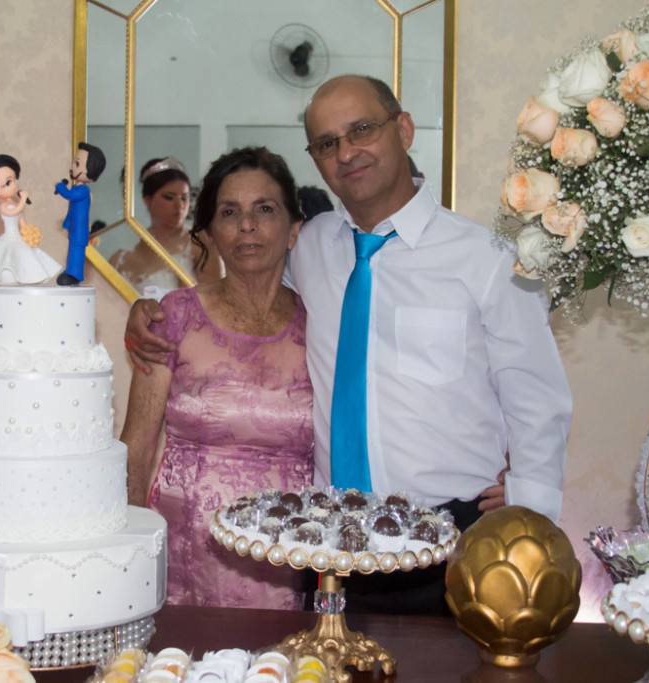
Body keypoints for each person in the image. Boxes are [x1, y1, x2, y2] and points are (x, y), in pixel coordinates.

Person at [126, 75, 572, 615]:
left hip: (452, 538)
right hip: (330, 545)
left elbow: (537, 395)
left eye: (362, 130)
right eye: (326, 143)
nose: (346, 152)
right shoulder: (313, 247)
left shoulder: (488, 258)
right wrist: (146, 309)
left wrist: (529, 503)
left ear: (403, 129)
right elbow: (242, 291)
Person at [121, 146, 314, 609]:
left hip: (289, 560)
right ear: (209, 232)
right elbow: (137, 448)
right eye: (229, 212)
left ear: (293, 230)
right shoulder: (174, 317)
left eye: (264, 209)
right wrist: (126, 560)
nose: (247, 225)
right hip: (184, 558)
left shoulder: (322, 325)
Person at [109, 157, 221, 296]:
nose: (179, 205)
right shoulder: (123, 255)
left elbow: (217, 299)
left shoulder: (200, 244)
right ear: (147, 199)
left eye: (184, 198)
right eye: (169, 197)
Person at [0, 153, 61, 285]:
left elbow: (20, 218)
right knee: (9, 258)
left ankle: (26, 278)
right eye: (7, 183)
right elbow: (14, 212)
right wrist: (23, 200)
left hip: (19, 237)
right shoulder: (4, 206)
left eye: (14, 179)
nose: (14, 184)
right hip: (9, 237)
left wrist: (27, 231)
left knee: (27, 257)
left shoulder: (13, 202)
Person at [56, 141, 106, 286]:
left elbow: (69, 195)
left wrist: (60, 186)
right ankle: (70, 271)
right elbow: (71, 210)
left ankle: (75, 274)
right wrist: (66, 224)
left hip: (79, 231)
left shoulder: (83, 191)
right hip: (74, 229)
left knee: (76, 252)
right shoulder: (77, 188)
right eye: (74, 163)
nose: (73, 167)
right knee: (72, 251)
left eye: (77, 164)